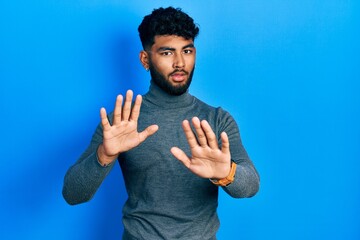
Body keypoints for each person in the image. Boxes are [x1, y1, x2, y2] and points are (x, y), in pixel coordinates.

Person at [63, 6, 260, 240]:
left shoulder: (217, 119)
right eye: (167, 53)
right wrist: (104, 155)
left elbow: (251, 185)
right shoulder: (123, 121)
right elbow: (72, 194)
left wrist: (227, 173)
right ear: (145, 59)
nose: (180, 63)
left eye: (187, 51)